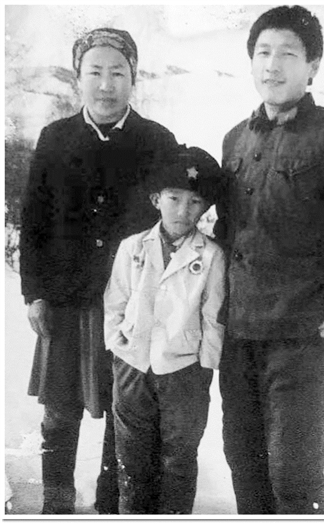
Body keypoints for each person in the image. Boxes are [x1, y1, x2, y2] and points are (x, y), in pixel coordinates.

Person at [215, 5, 324, 515]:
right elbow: (228, 233)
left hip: (301, 336)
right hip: (239, 333)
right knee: (243, 459)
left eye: (288, 54)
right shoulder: (236, 138)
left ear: (313, 65)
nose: (272, 65)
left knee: (293, 471)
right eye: (263, 52)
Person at [19, 27, 178, 515]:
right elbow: (34, 220)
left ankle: (112, 505)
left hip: (129, 304)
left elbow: (171, 223)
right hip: (64, 298)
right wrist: (34, 293)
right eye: (95, 72)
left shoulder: (157, 141)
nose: (106, 85)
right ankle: (56, 502)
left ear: (134, 77)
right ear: (78, 77)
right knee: (58, 411)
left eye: (117, 73)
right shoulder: (55, 138)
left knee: (124, 412)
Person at [104, 145, 226, 514]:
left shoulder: (211, 255)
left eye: (194, 202)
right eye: (174, 198)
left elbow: (214, 315)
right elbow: (115, 301)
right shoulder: (132, 247)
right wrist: (118, 345)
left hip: (184, 370)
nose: (182, 210)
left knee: (179, 457)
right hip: (133, 365)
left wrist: (204, 367)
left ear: (204, 208)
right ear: (156, 199)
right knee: (132, 458)